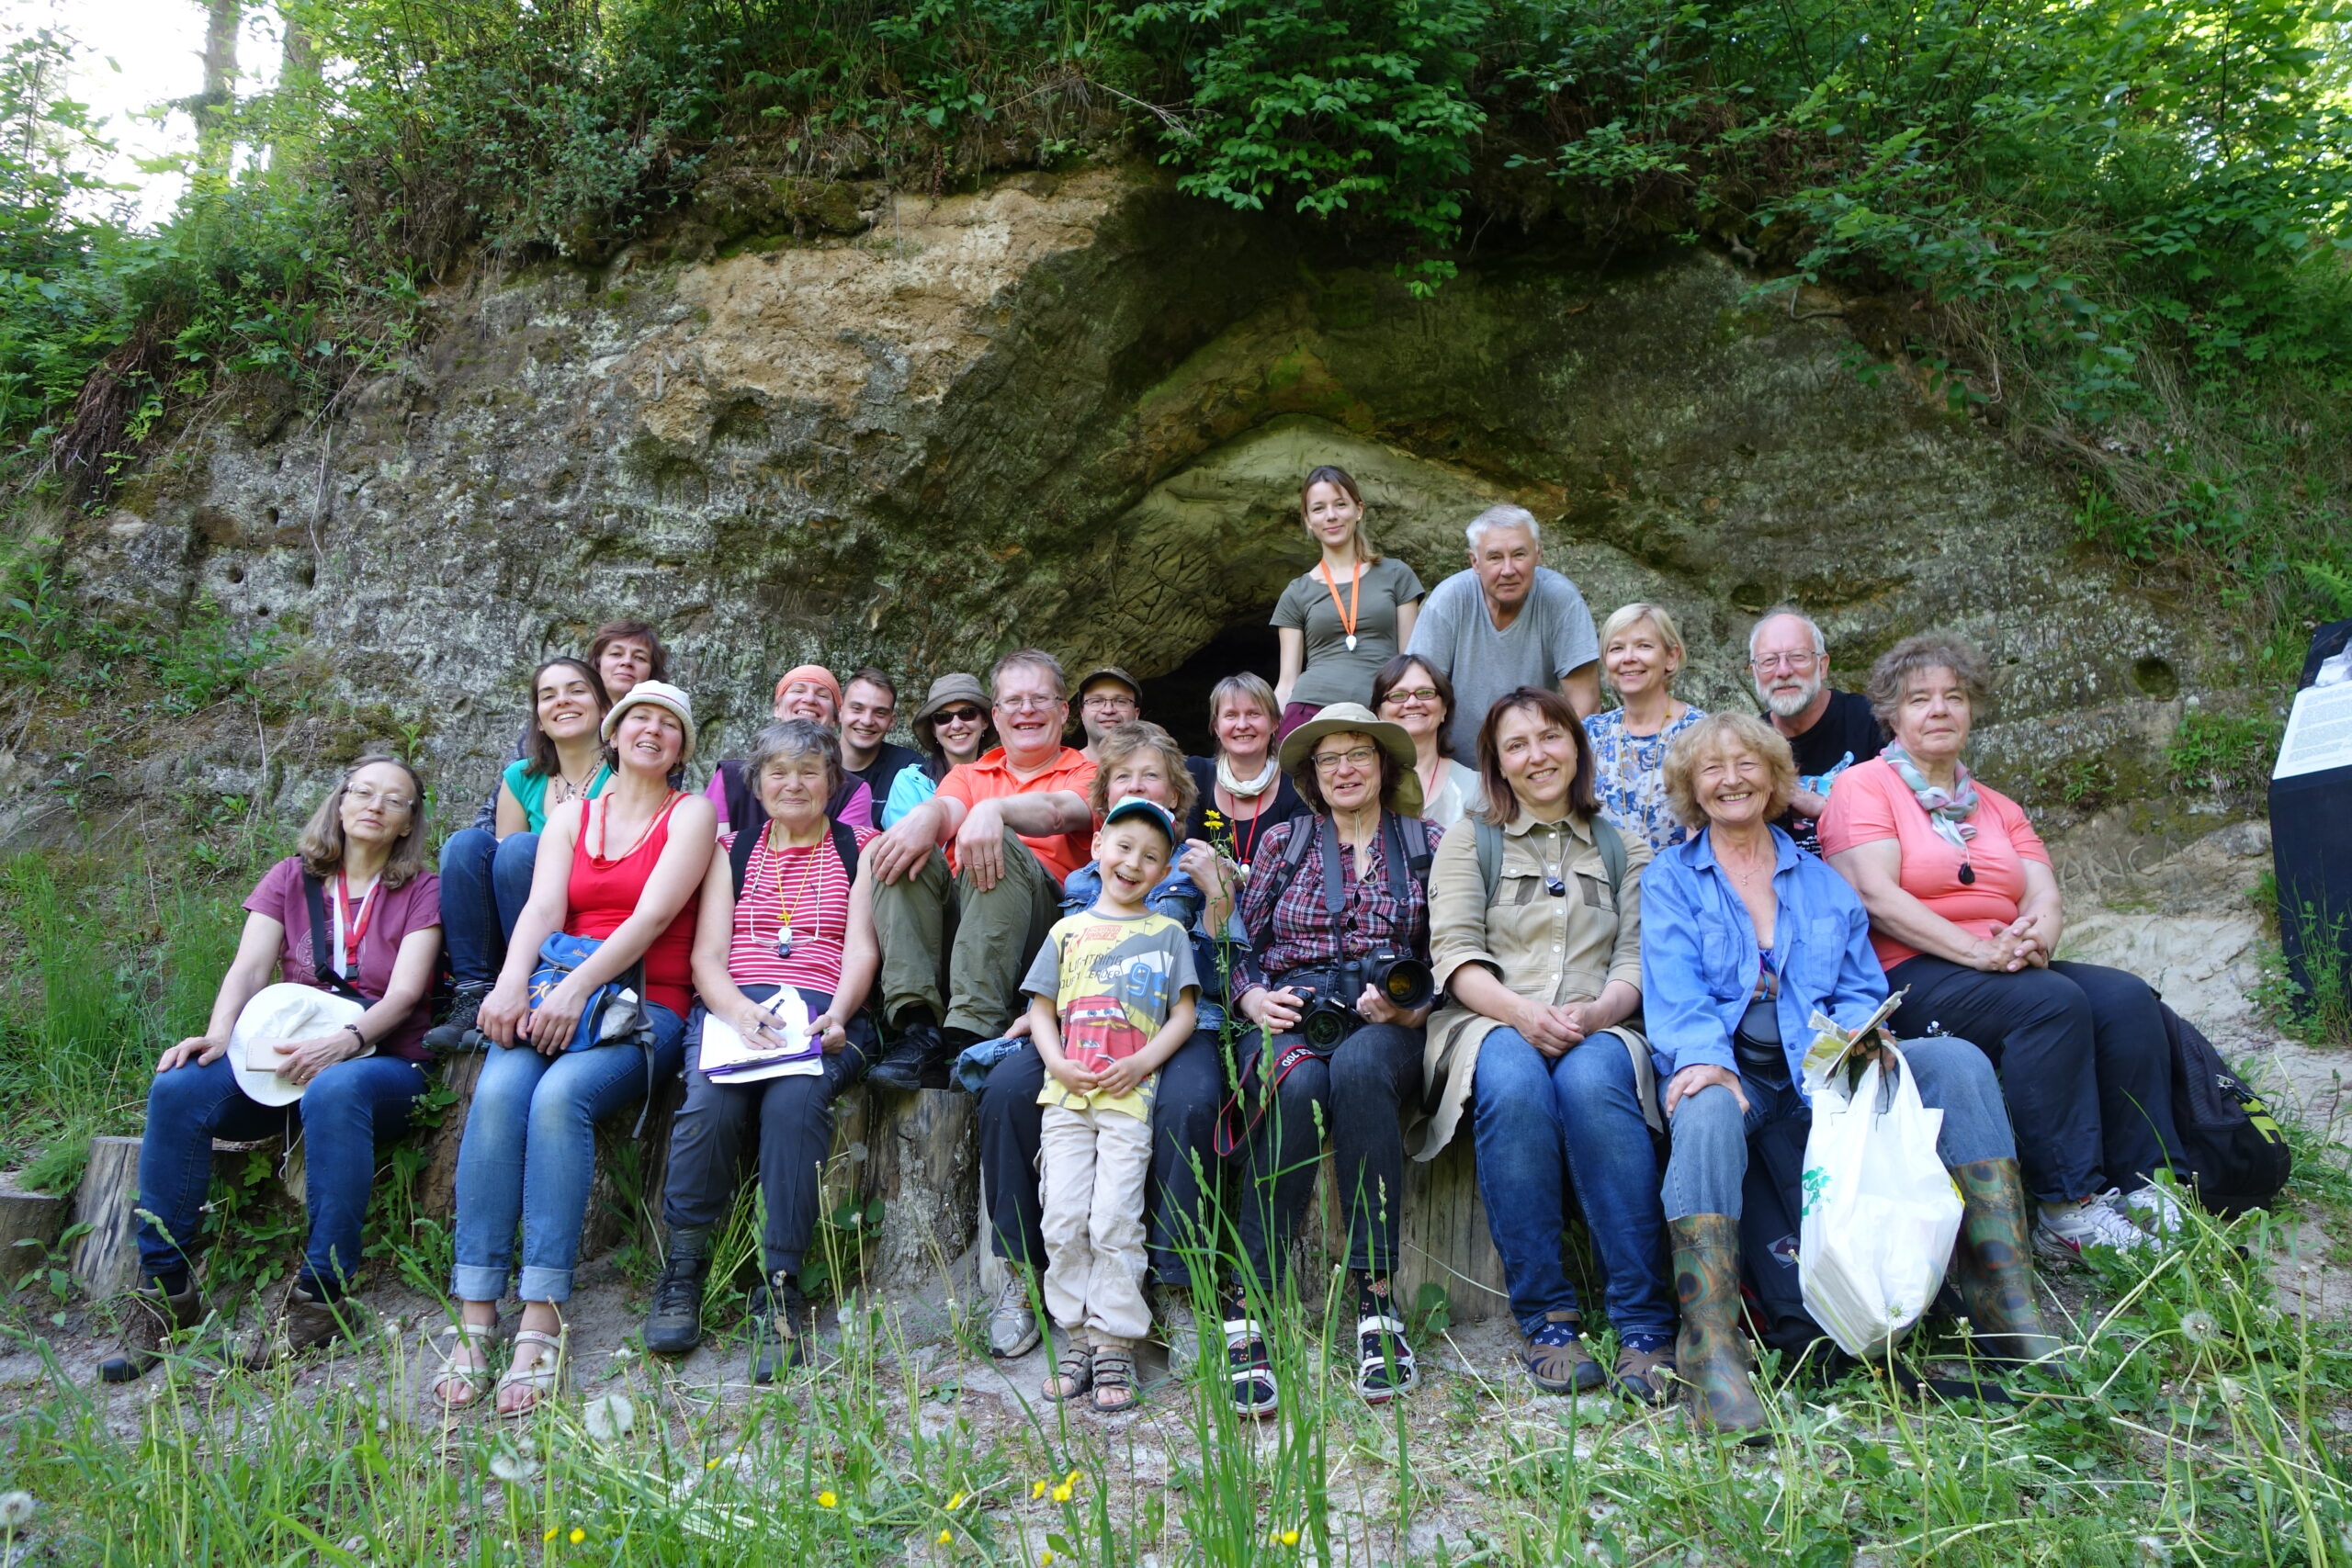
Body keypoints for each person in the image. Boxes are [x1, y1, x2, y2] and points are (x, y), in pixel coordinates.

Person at [1646, 711, 2063, 1435]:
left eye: (1747, 763)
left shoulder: (1819, 880)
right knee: (1706, 1108)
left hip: (1824, 1071)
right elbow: (1675, 993)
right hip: (1732, 1067)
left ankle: (2003, 1302)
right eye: (1711, 768)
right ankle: (1711, 1344)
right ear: (1690, 788)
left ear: (1775, 778)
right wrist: (1707, 1061)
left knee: (1955, 1061)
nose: (1731, 779)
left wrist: (1860, 1038)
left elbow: (1859, 985)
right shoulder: (1672, 880)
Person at [1820, 633, 2186, 1259]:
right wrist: (1977, 950)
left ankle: (2147, 1184)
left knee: (2124, 997)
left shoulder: (1995, 804)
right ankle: (2066, 1209)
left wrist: (2033, 937)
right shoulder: (1863, 787)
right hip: (1909, 972)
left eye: (1954, 697)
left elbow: (2042, 892)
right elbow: (1873, 895)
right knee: (2049, 1003)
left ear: (1972, 709)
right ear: (1892, 714)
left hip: (2003, 964)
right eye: (1920, 699)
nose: (1939, 709)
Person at [100, 758, 444, 1382]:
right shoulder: (292, 878)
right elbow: (250, 967)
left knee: (339, 1088)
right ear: (339, 804)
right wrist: (218, 1033)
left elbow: (403, 994)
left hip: (383, 1062)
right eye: (363, 791)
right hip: (281, 1062)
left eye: (394, 799)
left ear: (407, 823)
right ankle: (166, 1292)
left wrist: (344, 1042)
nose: (375, 804)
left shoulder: (423, 889)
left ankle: (321, 1301)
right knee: (178, 1088)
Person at [435, 681, 712, 1414]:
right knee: (496, 1093)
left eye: (669, 725)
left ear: (681, 747)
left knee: (558, 1099)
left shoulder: (691, 815)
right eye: (639, 720)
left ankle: (542, 1311)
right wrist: (510, 984)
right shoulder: (570, 815)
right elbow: (541, 908)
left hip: (642, 1008)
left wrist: (570, 990)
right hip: (557, 991)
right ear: (615, 734)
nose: (652, 732)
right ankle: (475, 1311)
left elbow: (652, 917)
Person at [1419, 689, 1669, 1400]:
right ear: (1497, 763)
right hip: (1492, 1019)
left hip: (1603, 1020)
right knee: (1517, 1080)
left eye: (1550, 737)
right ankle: (1548, 1315)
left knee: (1592, 1084)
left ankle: (1644, 1321)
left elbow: (1636, 960)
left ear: (1576, 745)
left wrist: (1594, 1015)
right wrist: (1524, 1014)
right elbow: (1457, 955)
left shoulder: (1624, 843)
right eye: (1517, 745)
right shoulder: (1472, 838)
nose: (1538, 755)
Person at [973, 724, 1236, 1375]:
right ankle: (1019, 1273)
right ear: (1104, 802)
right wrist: (1036, 1022)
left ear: (1176, 795)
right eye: (1124, 778)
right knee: (1005, 1091)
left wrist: (1218, 893)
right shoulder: (1087, 877)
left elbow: (1230, 966)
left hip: (1180, 1024)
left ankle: (1175, 1283)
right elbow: (1061, 965)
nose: (1138, 785)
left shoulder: (1198, 861)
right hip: (1083, 1028)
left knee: (1191, 1103)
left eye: (1152, 777)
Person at [642, 721, 879, 1382]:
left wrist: (838, 1012)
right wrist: (739, 1010)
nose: (793, 783)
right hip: (733, 1005)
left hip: (826, 1007)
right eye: (778, 771)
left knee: (795, 1103)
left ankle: (780, 1280)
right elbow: (706, 956)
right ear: (757, 782)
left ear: (833, 780)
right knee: (711, 1102)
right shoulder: (732, 847)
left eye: (809, 770)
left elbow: (862, 948)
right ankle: (684, 1268)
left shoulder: (859, 846)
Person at [1227, 703, 1438, 1416]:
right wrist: (1254, 999)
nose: (1345, 768)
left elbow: (1458, 951)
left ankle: (1376, 1303)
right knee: (1298, 1085)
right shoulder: (1285, 842)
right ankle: (1249, 1299)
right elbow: (1236, 949)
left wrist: (1411, 1007)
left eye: (1359, 754)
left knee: (1358, 1068)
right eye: (1329, 758)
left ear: (1384, 765)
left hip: (1391, 1021)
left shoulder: (1427, 843)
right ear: (1312, 775)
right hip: (1296, 1013)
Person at [1023, 795, 1202, 1414]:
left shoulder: (1168, 931)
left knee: (1116, 1219)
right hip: (1068, 1095)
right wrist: (1055, 1060)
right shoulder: (1066, 930)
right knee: (1064, 1214)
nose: (1134, 862)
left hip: (1128, 1097)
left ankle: (1116, 1338)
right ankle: (1074, 1334)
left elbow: (1185, 1013)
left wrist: (1142, 1062)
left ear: (1165, 871)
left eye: (1152, 856)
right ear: (1098, 847)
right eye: (1124, 846)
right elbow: (1040, 1008)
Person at [865, 650, 1097, 1091]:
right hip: (964, 927)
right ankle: (919, 1029)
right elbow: (947, 808)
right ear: (997, 713)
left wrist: (996, 810)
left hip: (1042, 937)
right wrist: (924, 818)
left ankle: (973, 1031)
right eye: (1013, 701)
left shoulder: (1089, 771)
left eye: (1039, 699)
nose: (1025, 711)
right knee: (895, 849)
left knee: (1000, 844)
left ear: (1064, 711)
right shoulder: (972, 773)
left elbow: (1059, 812)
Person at [433, 659, 614, 1049]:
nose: (562, 701)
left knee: (521, 848)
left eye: (576, 690)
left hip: (581, 918)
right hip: (524, 914)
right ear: (538, 719)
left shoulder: (622, 776)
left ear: (603, 705)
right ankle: (474, 992)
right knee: (466, 845)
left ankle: (534, 984)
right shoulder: (520, 776)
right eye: (548, 696)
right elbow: (497, 869)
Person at [1407, 505, 1601, 758]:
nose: (1508, 570)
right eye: (1495, 557)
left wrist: (1556, 764)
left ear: (1538, 555)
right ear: (1475, 562)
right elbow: (1418, 695)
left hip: (1533, 763)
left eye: (1519, 554)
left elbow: (1585, 705)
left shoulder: (1560, 599)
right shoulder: (1449, 600)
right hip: (1454, 767)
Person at [466, 620, 666, 831]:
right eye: (616, 654)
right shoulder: (544, 740)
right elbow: (496, 809)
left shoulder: (654, 737)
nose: (626, 662)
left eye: (640, 657)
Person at [1272, 466, 1425, 735]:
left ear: (1358, 509)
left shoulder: (1396, 574)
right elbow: (1286, 682)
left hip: (1378, 711)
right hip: (1310, 713)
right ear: (1307, 519)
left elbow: (1411, 662)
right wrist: (1269, 741)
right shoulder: (1296, 592)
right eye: (1318, 509)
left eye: (1340, 504)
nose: (1331, 516)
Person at [1749, 608, 1883, 854]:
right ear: (1754, 672)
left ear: (1822, 666)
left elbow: (1903, 813)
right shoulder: (1748, 744)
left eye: (1798, 657)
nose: (1783, 671)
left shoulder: (1870, 720)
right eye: (1768, 661)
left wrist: (1821, 806)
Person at [1584, 603, 1706, 852]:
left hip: (1675, 883)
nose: (1629, 658)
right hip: (1603, 882)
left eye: (1644, 646)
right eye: (1617, 648)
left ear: (1671, 657)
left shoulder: (1702, 732)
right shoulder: (1591, 733)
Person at [707, 666, 876, 832]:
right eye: (798, 690)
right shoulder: (730, 777)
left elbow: (846, 853)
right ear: (777, 708)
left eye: (823, 695)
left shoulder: (852, 790)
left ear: (835, 718)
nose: (809, 699)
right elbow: (714, 847)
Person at [1182, 672, 1306, 872]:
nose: (1242, 725)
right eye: (1231, 715)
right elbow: (1182, 850)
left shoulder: (1296, 784)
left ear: (1274, 722)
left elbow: (1297, 866)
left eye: (1253, 714)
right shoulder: (1196, 773)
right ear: (1216, 726)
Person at [1372, 654, 1485, 830]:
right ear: (1379, 712)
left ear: (1444, 709)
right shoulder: (1364, 782)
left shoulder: (1477, 787)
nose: (1412, 702)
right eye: (1398, 695)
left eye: (1425, 693)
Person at [883, 673, 995, 829]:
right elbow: (904, 845)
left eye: (967, 713)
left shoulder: (1004, 777)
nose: (956, 725)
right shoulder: (910, 783)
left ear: (984, 721)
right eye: (943, 717)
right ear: (934, 730)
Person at [840, 668, 925, 807]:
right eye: (857, 709)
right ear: (839, 711)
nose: (867, 721)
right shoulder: (815, 765)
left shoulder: (908, 768)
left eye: (880, 713)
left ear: (891, 721)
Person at [1072, 665, 1143, 765]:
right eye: (1096, 701)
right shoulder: (1062, 772)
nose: (1108, 710)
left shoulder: (1157, 768)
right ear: (1082, 714)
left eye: (1120, 701)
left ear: (1136, 714)